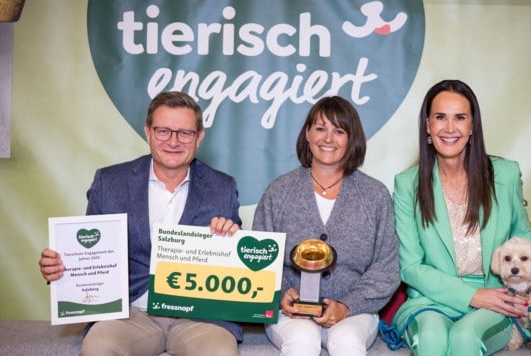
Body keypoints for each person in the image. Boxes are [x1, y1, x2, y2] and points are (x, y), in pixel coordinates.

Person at [38, 91, 243, 356]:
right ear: (148, 132)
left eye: (184, 133)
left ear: (199, 137)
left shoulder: (223, 187)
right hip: (129, 313)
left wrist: (230, 238)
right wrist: (59, 266)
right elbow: (88, 254)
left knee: (220, 352)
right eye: (163, 131)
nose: (173, 141)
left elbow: (234, 271)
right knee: (99, 346)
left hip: (199, 317)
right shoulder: (109, 182)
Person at [389, 80, 531, 355]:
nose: (450, 128)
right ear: (427, 125)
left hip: (498, 295)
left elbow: (521, 232)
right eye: (440, 117)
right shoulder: (407, 184)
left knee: (464, 339)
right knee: (432, 340)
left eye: (460, 118)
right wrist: (472, 296)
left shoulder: (505, 174)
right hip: (431, 298)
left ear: (472, 126)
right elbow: (411, 267)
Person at [253, 96, 400, 356]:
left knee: (346, 341)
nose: (328, 139)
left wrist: (347, 305)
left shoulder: (375, 195)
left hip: (355, 312)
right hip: (289, 313)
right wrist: (279, 297)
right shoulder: (279, 192)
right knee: (302, 339)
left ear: (351, 139)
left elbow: (386, 268)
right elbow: (259, 261)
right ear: (307, 134)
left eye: (339, 131)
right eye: (320, 128)